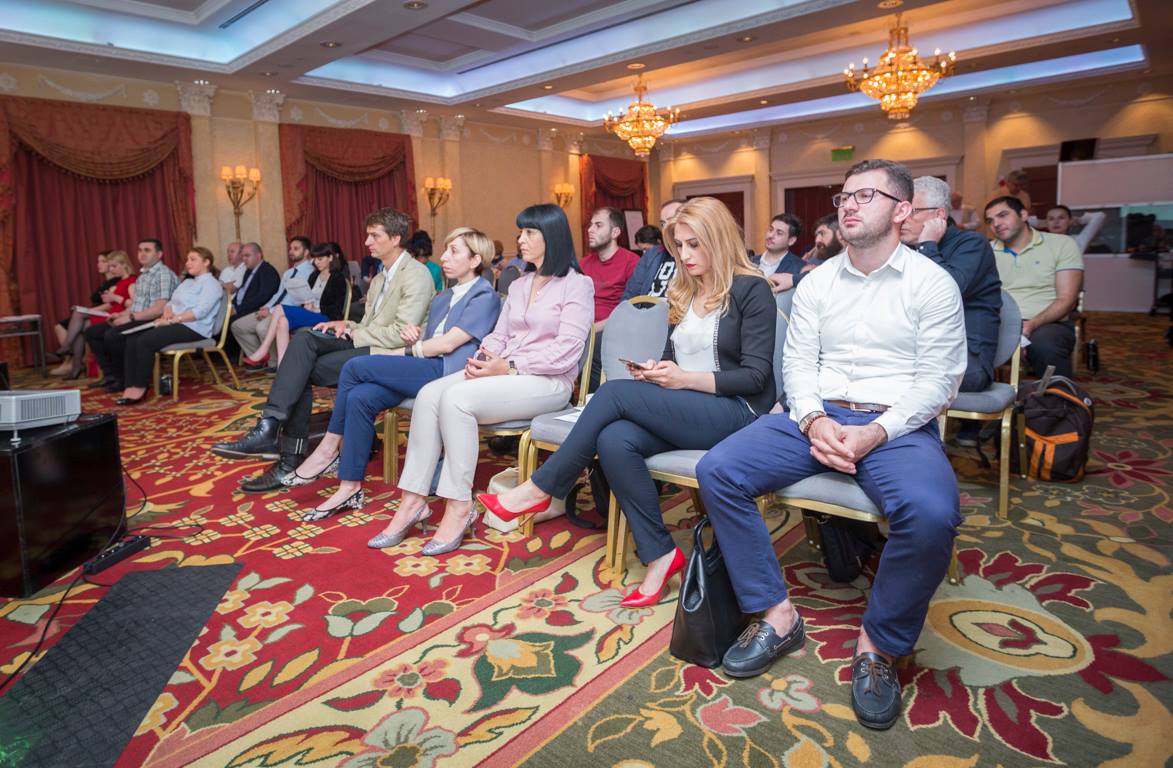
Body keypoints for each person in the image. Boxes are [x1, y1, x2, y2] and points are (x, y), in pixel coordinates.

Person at [695, 159, 966, 731]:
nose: (848, 205)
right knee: (719, 468)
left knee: (931, 512)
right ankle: (776, 613)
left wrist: (875, 432)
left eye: (866, 195)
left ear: (901, 210)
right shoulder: (818, 281)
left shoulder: (931, 283)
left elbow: (938, 381)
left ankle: (878, 647)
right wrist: (814, 418)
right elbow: (798, 363)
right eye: (844, 195)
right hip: (815, 415)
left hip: (896, 425)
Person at [481, 197, 777, 607]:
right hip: (691, 407)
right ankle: (660, 555)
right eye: (679, 246)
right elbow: (675, 357)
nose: (685, 255)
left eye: (694, 245)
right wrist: (659, 370)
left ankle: (542, 487)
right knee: (615, 439)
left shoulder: (751, 289)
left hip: (738, 412)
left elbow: (756, 378)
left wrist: (683, 379)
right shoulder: (686, 289)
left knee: (613, 392)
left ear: (720, 239)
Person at [382, 203, 593, 555]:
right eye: (521, 231)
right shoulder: (521, 284)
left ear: (552, 236)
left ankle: (458, 505)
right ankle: (413, 500)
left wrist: (508, 365)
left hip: (548, 381)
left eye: (529, 232)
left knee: (456, 400)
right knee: (430, 394)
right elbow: (498, 335)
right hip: (504, 373)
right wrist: (482, 360)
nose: (520, 239)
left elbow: (567, 352)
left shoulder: (577, 285)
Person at [211, 207, 433, 493]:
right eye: (368, 235)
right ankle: (270, 425)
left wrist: (354, 331)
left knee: (299, 370)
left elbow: (401, 333)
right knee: (304, 338)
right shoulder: (380, 277)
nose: (367, 242)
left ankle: (285, 453)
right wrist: (346, 324)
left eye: (374, 236)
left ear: (395, 238)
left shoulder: (415, 275)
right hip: (368, 340)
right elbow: (371, 324)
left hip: (387, 353)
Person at [287, 228, 501, 524]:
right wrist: (415, 337)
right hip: (424, 365)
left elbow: (449, 344)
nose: (443, 257)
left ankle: (328, 448)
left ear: (475, 260)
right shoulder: (444, 297)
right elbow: (431, 338)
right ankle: (349, 487)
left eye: (454, 251)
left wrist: (404, 351)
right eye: (445, 250)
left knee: (354, 367)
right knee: (360, 397)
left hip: (448, 371)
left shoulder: (484, 296)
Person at [902, 176, 1001, 392]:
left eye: (912, 212)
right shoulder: (904, 251)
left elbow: (948, 290)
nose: (902, 220)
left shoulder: (973, 243)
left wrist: (927, 245)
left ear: (939, 215)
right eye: (901, 211)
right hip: (916, 350)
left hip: (966, 359)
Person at [986, 195, 1083, 378]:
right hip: (999, 321)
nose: (996, 224)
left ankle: (1057, 395)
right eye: (990, 220)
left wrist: (1031, 325)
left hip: (1048, 322)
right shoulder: (987, 251)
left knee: (1045, 344)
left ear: (1024, 215)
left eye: (1003, 215)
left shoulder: (1061, 244)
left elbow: (1067, 299)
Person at [114, 247, 225, 405]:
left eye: (193, 259)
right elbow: (171, 302)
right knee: (132, 338)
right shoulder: (188, 282)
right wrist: (167, 311)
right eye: (187, 259)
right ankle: (129, 385)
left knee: (145, 341)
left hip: (195, 328)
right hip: (176, 322)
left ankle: (139, 387)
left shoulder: (212, 284)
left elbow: (200, 312)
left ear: (206, 262)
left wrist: (173, 320)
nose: (188, 263)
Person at [84, 239, 179, 392]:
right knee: (93, 332)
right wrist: (120, 314)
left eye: (147, 250)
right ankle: (111, 375)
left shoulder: (163, 274)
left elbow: (159, 309)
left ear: (159, 254)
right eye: (140, 250)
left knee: (113, 335)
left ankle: (124, 379)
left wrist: (130, 318)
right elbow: (136, 306)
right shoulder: (143, 276)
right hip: (142, 316)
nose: (142, 254)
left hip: (156, 320)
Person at [245, 242, 350, 367]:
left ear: (331, 258)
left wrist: (316, 308)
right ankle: (282, 366)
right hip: (311, 314)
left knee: (279, 308)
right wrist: (305, 302)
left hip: (326, 317)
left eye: (320, 259)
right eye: (315, 259)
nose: (316, 262)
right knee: (282, 321)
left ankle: (264, 349)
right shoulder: (314, 276)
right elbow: (306, 297)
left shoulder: (338, 278)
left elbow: (337, 310)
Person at [51, 251, 136, 378]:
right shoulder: (119, 282)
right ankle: (76, 365)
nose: (111, 270)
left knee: (81, 320)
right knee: (81, 326)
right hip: (113, 313)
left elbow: (135, 305)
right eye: (110, 266)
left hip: (117, 315)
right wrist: (111, 298)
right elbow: (113, 303)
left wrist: (114, 298)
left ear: (124, 264)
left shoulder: (132, 281)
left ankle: (68, 349)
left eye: (114, 266)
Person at [234, 236, 315, 368]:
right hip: (273, 308)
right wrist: (266, 307)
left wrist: (271, 311)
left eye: (296, 249)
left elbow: (296, 300)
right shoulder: (288, 272)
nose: (291, 251)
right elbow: (278, 294)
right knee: (238, 326)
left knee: (262, 328)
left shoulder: (310, 272)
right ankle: (263, 359)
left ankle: (276, 363)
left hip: (287, 312)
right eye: (290, 248)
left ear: (306, 252)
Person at [583, 207, 640, 389]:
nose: (590, 230)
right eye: (590, 225)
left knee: (594, 344)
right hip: (583, 327)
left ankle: (592, 399)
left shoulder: (631, 262)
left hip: (612, 328)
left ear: (615, 232)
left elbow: (630, 310)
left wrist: (592, 328)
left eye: (598, 225)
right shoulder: (584, 263)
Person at [622, 198, 686, 300]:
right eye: (663, 223)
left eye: (672, 220)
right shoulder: (651, 254)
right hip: (644, 309)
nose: (666, 227)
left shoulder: (698, 256)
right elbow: (631, 293)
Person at [226, 242, 279, 357]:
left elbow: (262, 297)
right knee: (222, 317)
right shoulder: (249, 271)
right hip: (244, 307)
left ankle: (233, 356)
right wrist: (232, 305)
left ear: (258, 256)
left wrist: (237, 310)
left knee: (230, 322)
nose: (243, 259)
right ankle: (257, 356)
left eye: (247, 256)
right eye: (242, 256)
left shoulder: (267, 271)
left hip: (257, 309)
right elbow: (242, 292)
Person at [751, 213, 809, 293]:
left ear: (791, 241)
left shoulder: (799, 267)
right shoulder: (749, 261)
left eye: (779, 233)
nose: (771, 235)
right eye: (770, 230)